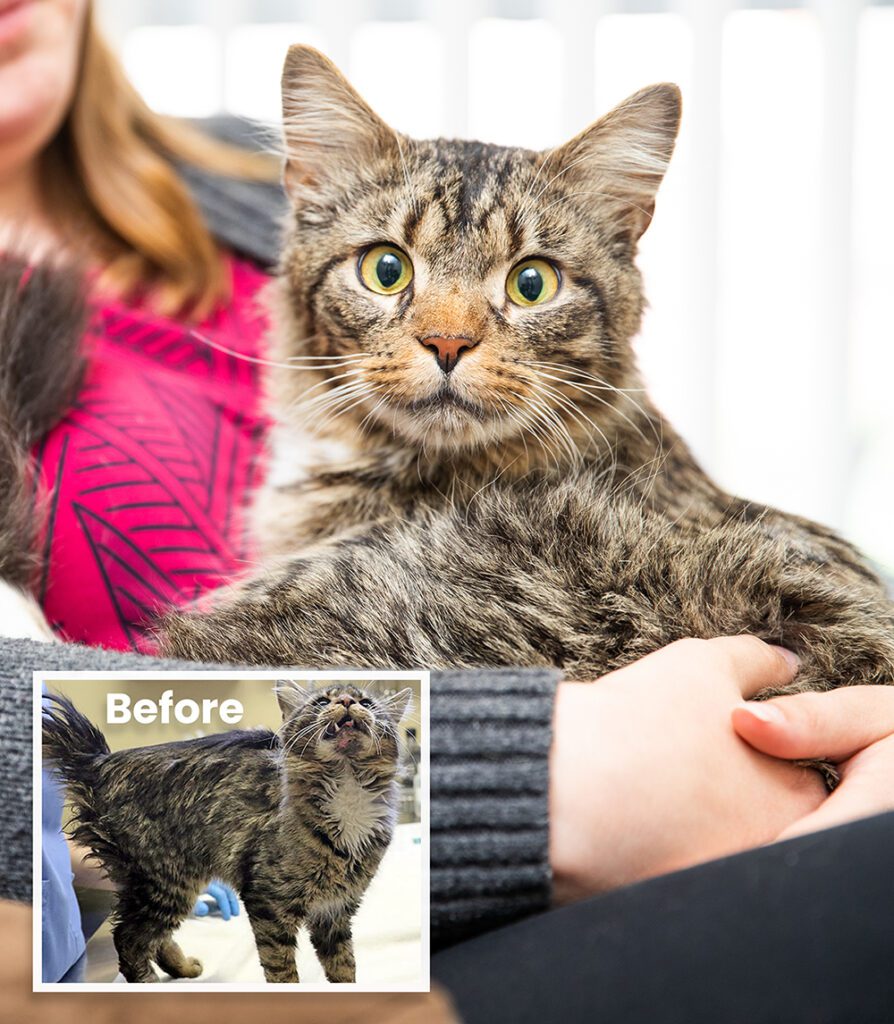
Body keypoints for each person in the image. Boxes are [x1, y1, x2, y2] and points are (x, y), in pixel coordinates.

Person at [0, 1, 891, 1017]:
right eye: (392, 274)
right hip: (272, 920)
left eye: (525, 282)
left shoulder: (228, 172)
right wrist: (541, 779)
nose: (449, 331)